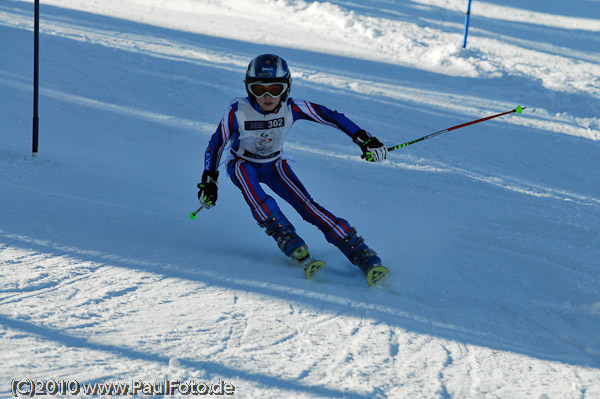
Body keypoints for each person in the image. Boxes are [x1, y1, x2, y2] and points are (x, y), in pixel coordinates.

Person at [198, 54, 389, 286]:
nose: (267, 97)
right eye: (258, 89)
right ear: (249, 89)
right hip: (242, 163)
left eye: (275, 88)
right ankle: (286, 236)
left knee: (307, 206)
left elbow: (331, 117)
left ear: (286, 88)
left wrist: (364, 139)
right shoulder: (237, 111)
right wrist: (210, 180)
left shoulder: (292, 107)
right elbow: (217, 144)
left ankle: (357, 248)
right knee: (257, 195)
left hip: (275, 164)